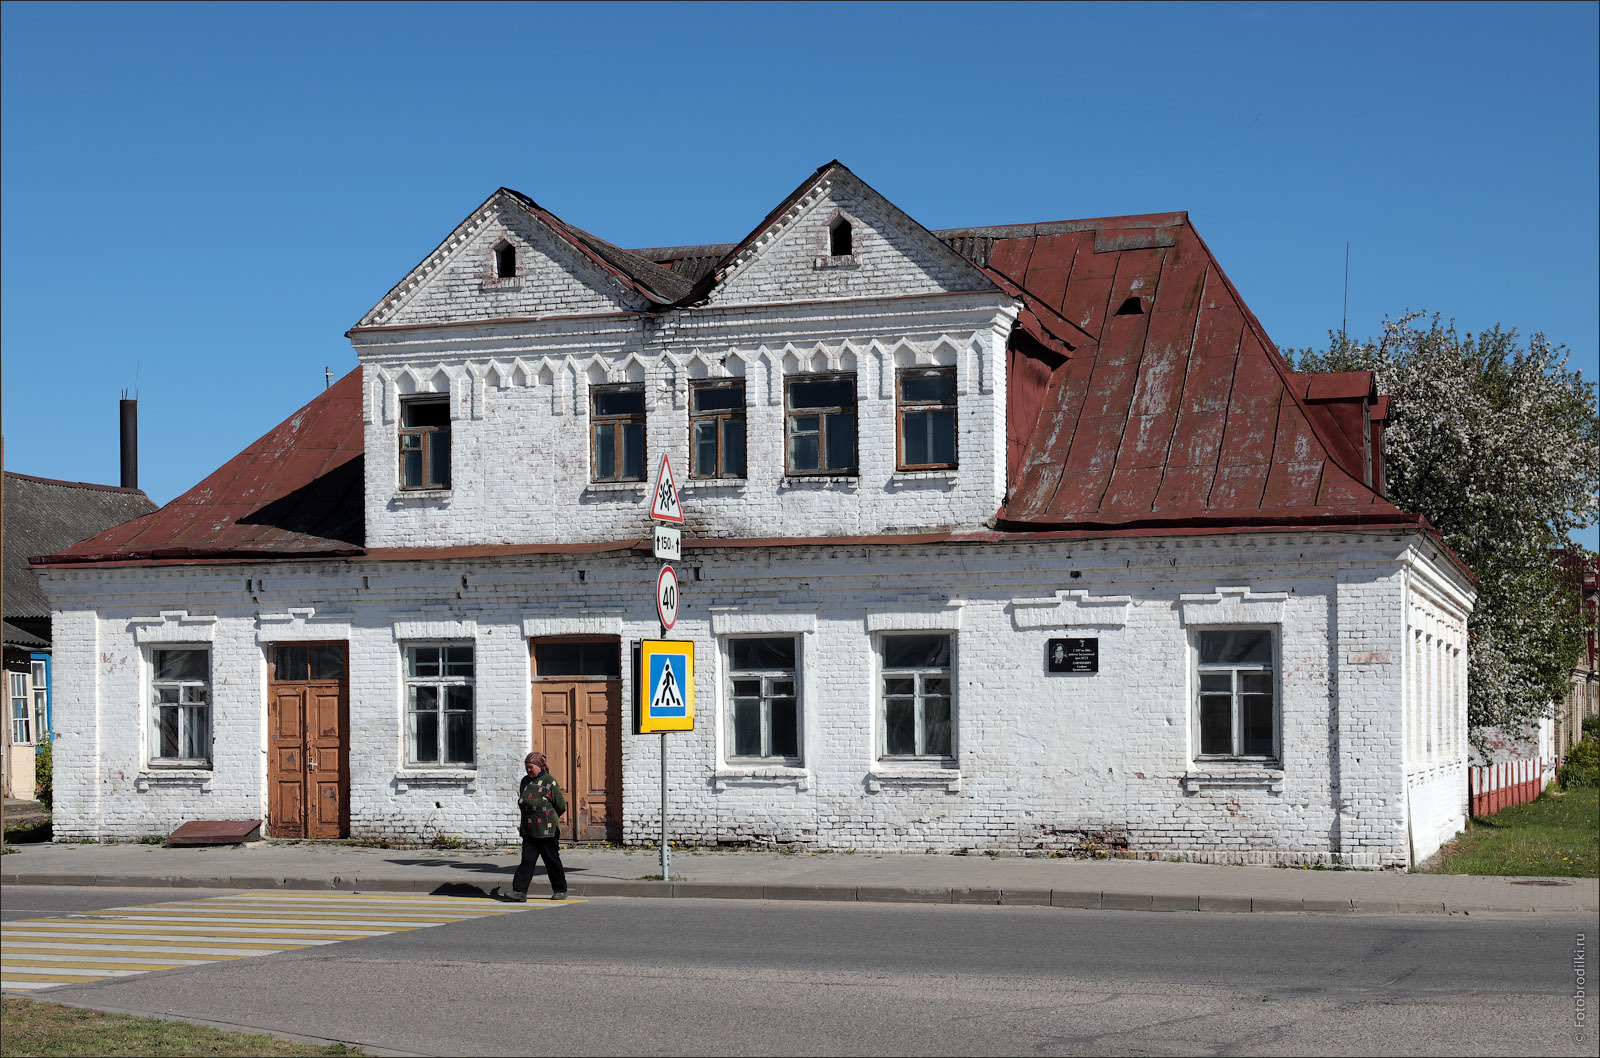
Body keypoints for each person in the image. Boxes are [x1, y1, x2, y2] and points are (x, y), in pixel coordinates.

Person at [509, 751, 567, 901]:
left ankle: (560, 890)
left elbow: (560, 805)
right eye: (526, 767)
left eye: (531, 767)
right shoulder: (525, 782)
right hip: (529, 830)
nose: (528, 770)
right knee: (527, 861)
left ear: (540, 767)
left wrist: (548, 818)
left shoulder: (550, 782)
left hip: (547, 831)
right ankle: (519, 892)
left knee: (552, 861)